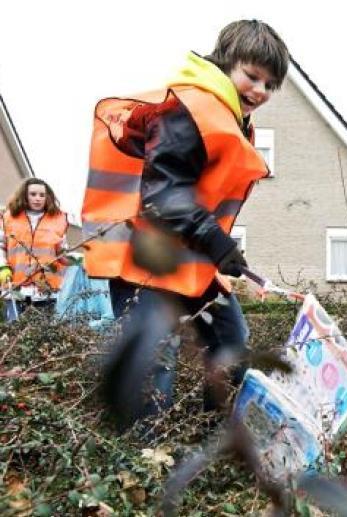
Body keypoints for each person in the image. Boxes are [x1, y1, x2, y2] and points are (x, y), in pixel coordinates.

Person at [81, 19, 289, 427]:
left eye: (270, 85)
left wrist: (219, 251)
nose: (260, 92)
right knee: (153, 368)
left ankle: (218, 436)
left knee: (230, 341)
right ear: (226, 63)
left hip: (189, 262)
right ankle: (142, 466)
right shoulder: (190, 110)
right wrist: (217, 243)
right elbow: (162, 198)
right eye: (252, 77)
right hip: (144, 262)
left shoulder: (227, 118)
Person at [0, 178, 68, 317]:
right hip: (15, 286)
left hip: (46, 289)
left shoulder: (58, 220)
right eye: (33, 194)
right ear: (24, 195)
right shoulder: (9, 218)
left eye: (42, 195)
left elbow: (62, 253)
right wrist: (2, 268)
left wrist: (75, 260)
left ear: (47, 197)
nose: (38, 198)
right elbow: (1, 246)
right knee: (16, 333)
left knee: (44, 335)